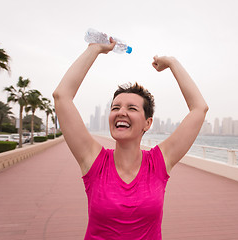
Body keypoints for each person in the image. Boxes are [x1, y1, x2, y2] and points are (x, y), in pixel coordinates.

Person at [53, 37, 208, 240]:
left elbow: (199, 108)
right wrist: (95, 49)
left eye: (131, 108)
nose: (121, 112)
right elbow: (61, 96)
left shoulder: (159, 162)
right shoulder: (93, 160)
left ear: (147, 123)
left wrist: (172, 63)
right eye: (115, 107)